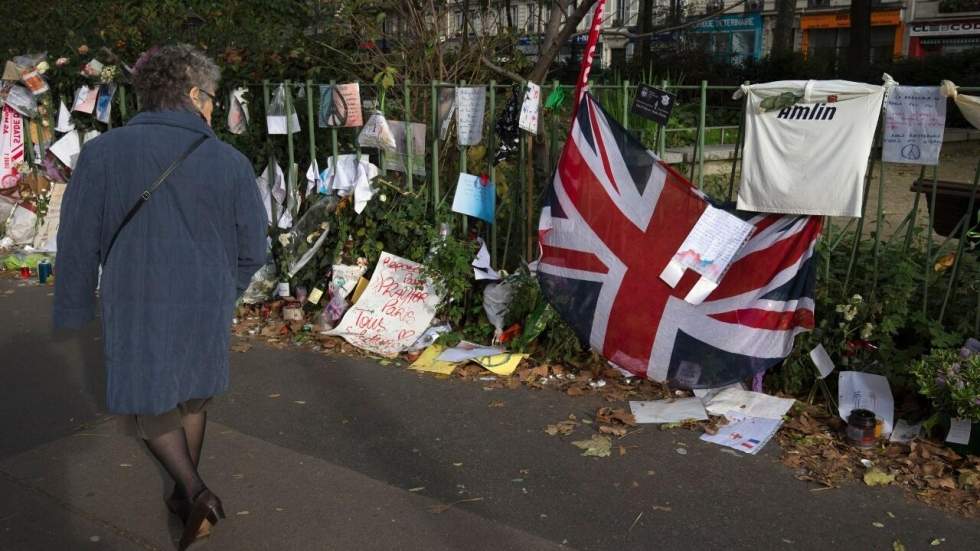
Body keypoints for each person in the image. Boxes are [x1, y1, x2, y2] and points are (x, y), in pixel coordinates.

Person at [54, 44, 267, 550]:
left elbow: (78, 239)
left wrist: (75, 305)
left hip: (137, 295)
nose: (215, 107)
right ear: (193, 95)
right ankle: (184, 491)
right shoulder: (230, 161)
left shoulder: (103, 153)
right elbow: (253, 248)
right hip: (206, 295)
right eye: (213, 97)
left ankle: (194, 491)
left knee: (150, 398)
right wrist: (226, 288)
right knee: (193, 390)